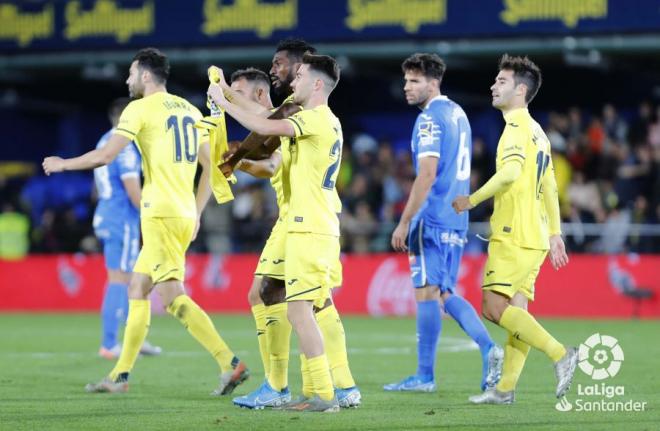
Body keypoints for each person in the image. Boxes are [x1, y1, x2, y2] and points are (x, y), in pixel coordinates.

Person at [42, 47, 248, 395]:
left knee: (171, 296)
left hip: (160, 213)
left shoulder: (139, 109)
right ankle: (120, 376)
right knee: (137, 288)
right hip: (181, 212)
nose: (127, 79)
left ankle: (230, 363)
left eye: (131, 73)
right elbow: (214, 167)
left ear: (146, 76)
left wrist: (64, 163)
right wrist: (196, 211)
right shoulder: (188, 108)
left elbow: (107, 155)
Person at [219, 40, 360, 410]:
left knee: (305, 308)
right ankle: (310, 389)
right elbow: (268, 148)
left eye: (295, 72)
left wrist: (222, 101)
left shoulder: (311, 118)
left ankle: (326, 391)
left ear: (314, 82)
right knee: (273, 296)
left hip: (309, 224)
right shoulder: (309, 118)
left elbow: (261, 123)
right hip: (300, 220)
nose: (289, 78)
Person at [452, 54, 577, 404]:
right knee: (516, 311)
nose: (493, 86)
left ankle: (559, 353)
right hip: (535, 236)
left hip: (515, 233)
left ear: (520, 90)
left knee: (492, 307)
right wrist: (555, 234)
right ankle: (504, 390)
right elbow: (550, 186)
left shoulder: (515, 128)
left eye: (502, 82)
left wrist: (471, 200)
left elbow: (509, 174)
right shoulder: (539, 132)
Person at [385, 53, 503, 393]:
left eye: (415, 81)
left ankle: (426, 375)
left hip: (432, 215)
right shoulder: (458, 114)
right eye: (406, 80)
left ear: (434, 82)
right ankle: (486, 348)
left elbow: (427, 174)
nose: (407, 87)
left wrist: (404, 222)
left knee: (426, 292)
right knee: (444, 293)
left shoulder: (429, 120)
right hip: (457, 217)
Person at [92, 97, 161, 360]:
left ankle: (134, 339)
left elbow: (97, 186)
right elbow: (134, 191)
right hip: (122, 219)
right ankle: (110, 344)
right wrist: (154, 217)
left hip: (108, 214)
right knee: (119, 280)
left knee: (130, 280)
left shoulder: (104, 141)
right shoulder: (125, 148)